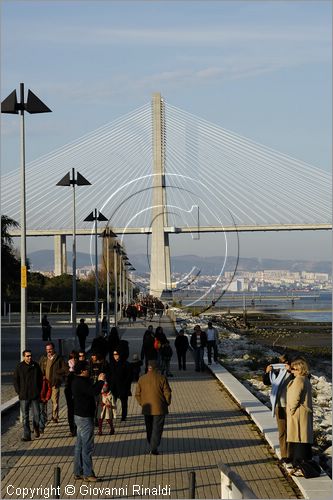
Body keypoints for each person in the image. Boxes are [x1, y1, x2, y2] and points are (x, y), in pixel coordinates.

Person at [72, 360, 105, 482]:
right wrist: (101, 381)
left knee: (79, 445)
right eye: (87, 369)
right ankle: (88, 473)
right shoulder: (81, 382)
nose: (89, 371)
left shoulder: (78, 381)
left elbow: (90, 389)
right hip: (85, 417)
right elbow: (93, 391)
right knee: (87, 446)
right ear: (82, 371)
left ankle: (78, 471)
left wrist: (96, 382)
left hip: (79, 415)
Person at [135, 360, 172, 455]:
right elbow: (167, 392)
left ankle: (151, 444)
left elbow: (137, 394)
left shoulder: (142, 379)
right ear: (156, 368)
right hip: (159, 408)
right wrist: (166, 403)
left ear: (148, 368)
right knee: (157, 428)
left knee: (149, 428)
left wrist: (142, 403)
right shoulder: (162, 378)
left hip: (147, 408)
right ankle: (154, 447)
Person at [263, 354, 293, 463]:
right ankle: (284, 455)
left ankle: (291, 454)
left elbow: (304, 378)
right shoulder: (275, 372)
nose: (282, 363)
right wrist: (267, 372)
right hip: (278, 405)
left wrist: (290, 371)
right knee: (282, 431)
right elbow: (266, 382)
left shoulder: (292, 371)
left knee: (291, 431)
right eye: (279, 361)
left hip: (290, 406)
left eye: (284, 361)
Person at [286, 357, 314, 471]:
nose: (291, 371)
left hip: (298, 413)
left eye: (294, 369)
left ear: (299, 369)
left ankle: (298, 463)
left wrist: (291, 411)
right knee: (303, 437)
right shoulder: (305, 379)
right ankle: (303, 461)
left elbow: (294, 398)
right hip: (304, 413)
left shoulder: (298, 380)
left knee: (298, 437)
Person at [13, 349, 43, 441]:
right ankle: (27, 435)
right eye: (27, 356)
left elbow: (40, 379)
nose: (29, 357)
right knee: (25, 417)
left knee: (37, 415)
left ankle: (36, 427)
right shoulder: (19, 366)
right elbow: (15, 380)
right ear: (24, 357)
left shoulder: (36, 366)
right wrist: (19, 391)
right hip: (24, 396)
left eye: (30, 356)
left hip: (34, 395)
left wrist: (38, 390)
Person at [39, 342, 68, 427]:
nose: (49, 351)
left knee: (54, 401)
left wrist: (58, 375)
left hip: (54, 383)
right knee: (44, 400)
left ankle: (54, 416)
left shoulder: (59, 358)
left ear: (53, 349)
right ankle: (44, 417)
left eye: (50, 349)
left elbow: (64, 369)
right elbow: (39, 368)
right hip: (45, 384)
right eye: (47, 349)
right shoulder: (43, 358)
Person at [110, 349, 132, 421]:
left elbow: (129, 377)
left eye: (117, 354)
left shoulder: (126, 364)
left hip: (123, 387)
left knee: (124, 403)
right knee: (112, 402)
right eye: (114, 355)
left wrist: (126, 385)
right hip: (114, 387)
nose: (115, 356)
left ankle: (124, 416)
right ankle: (112, 415)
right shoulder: (112, 364)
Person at [64, 350, 79, 437]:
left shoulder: (79, 367)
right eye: (71, 358)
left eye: (74, 358)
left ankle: (77, 428)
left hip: (77, 391)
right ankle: (71, 429)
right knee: (70, 410)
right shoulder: (66, 367)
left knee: (77, 410)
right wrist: (69, 371)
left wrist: (75, 369)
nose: (73, 360)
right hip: (68, 391)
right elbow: (59, 373)